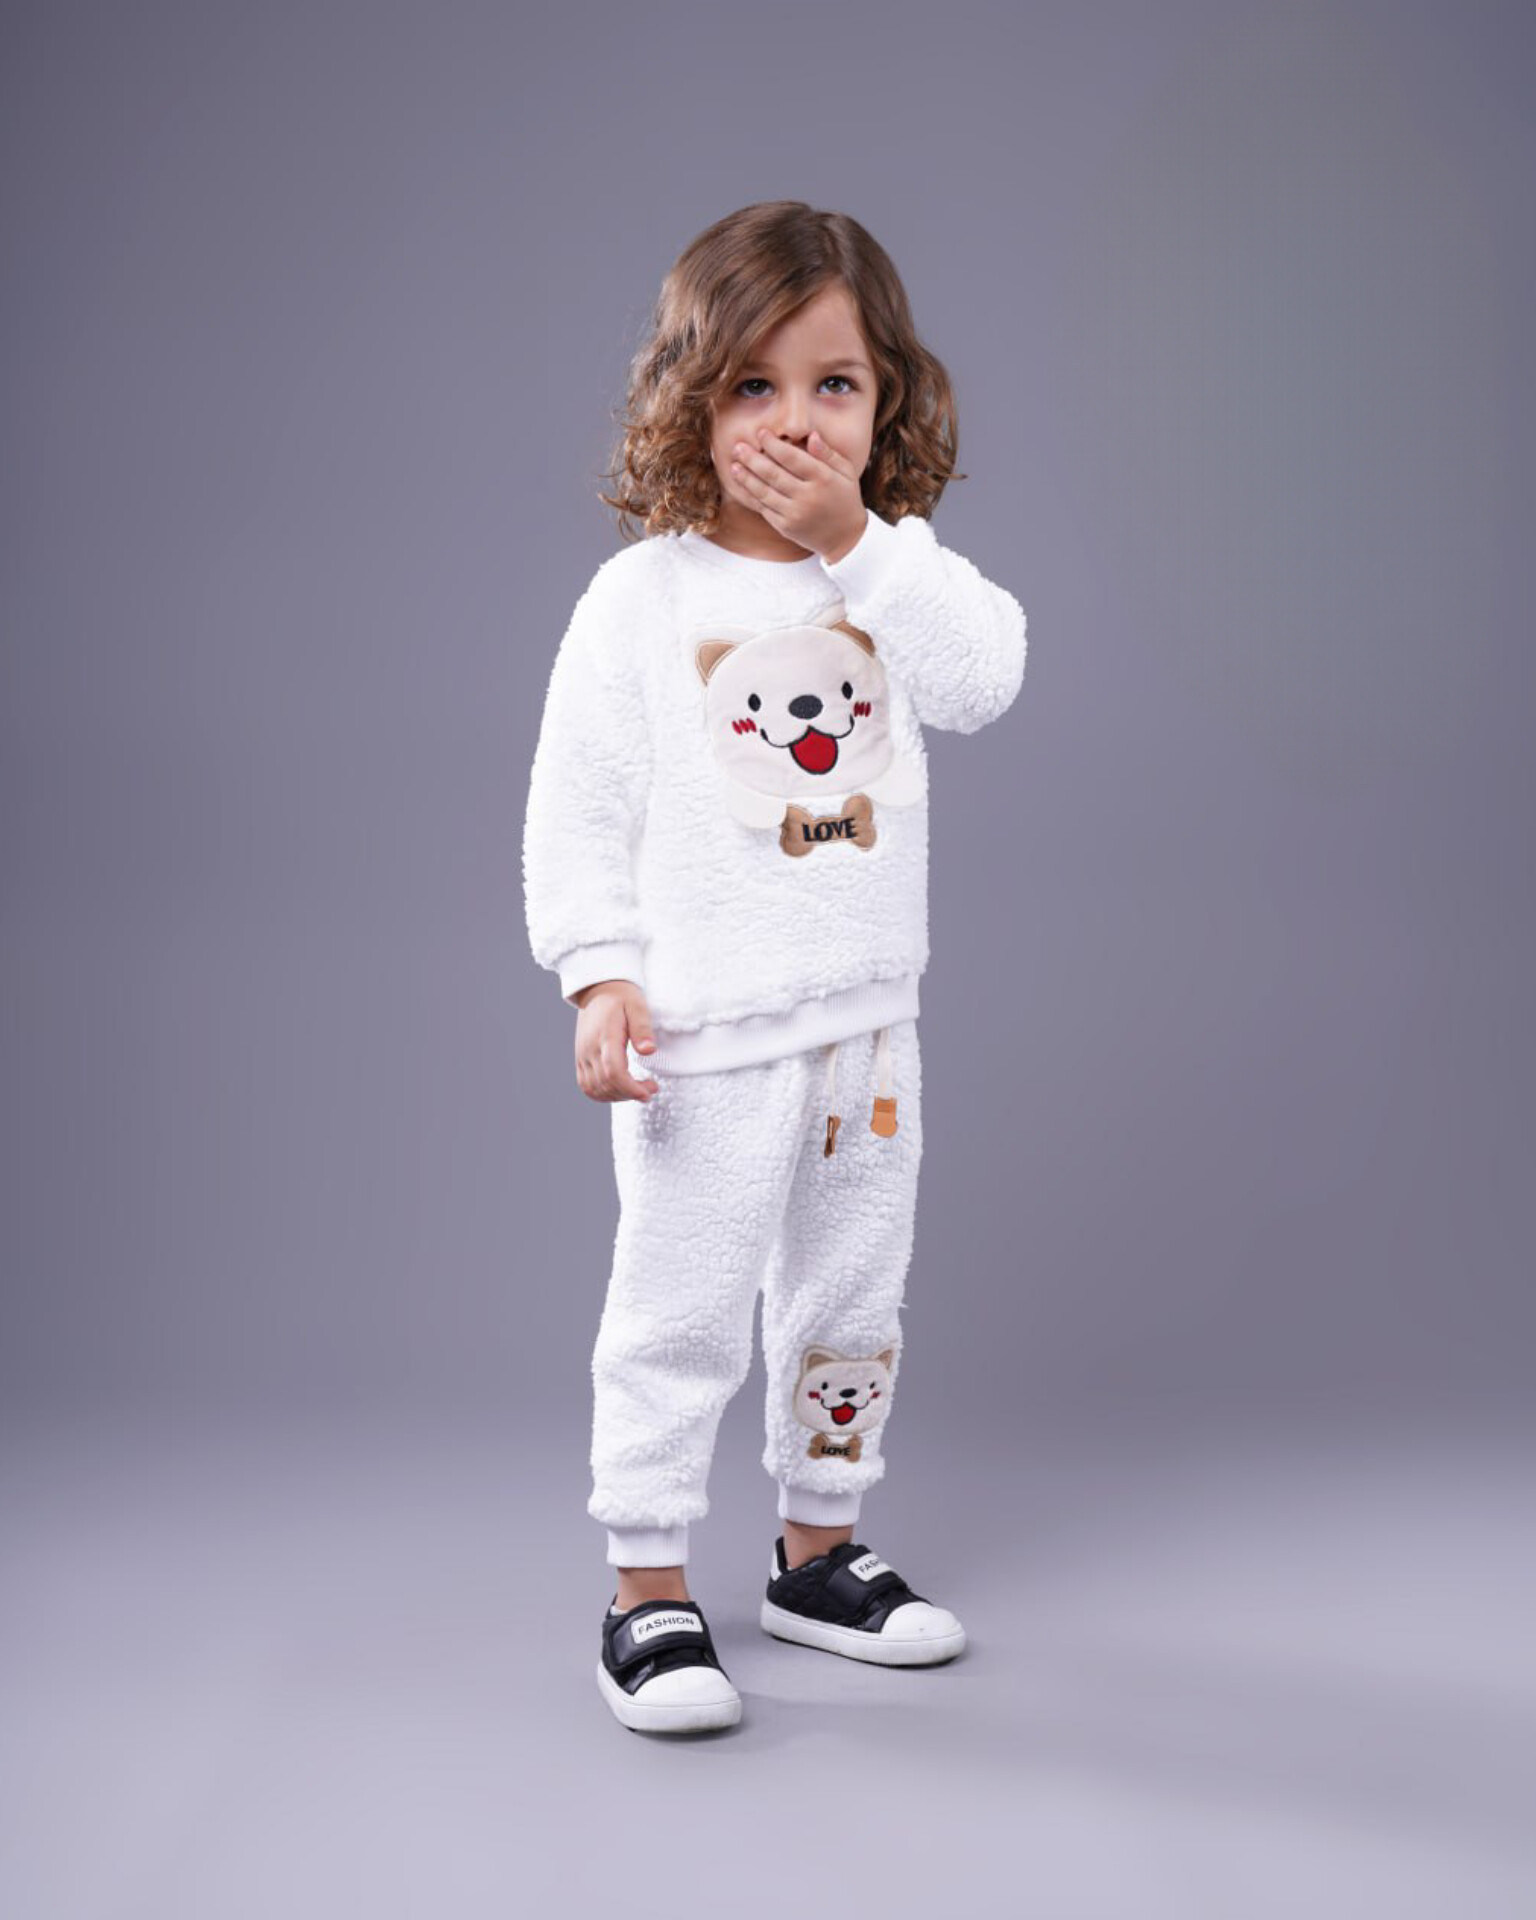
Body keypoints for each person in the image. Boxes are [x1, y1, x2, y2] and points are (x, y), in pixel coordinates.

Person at [522, 200, 1028, 1734]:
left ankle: (818, 1554)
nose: (795, 422)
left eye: (834, 385)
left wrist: (857, 546)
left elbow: (987, 679)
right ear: (691, 399)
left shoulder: (893, 579)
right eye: (753, 384)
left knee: (851, 1301)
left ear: (886, 403)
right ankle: (646, 1585)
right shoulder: (645, 601)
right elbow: (578, 804)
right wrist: (600, 975)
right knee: (677, 1309)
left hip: (867, 1033)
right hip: (706, 1040)